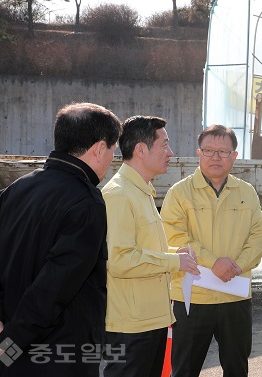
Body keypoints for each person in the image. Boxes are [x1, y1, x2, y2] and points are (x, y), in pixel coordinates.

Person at [0, 103, 121, 376]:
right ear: (98, 148)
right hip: (56, 358)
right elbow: (55, 287)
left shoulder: (13, 191)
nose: (111, 160)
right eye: (113, 152)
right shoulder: (86, 202)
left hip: (2, 354)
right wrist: (11, 342)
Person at [161, 124, 262, 377]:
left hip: (235, 296)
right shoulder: (180, 193)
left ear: (234, 156)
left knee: (237, 367)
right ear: (198, 153)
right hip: (193, 298)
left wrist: (237, 266)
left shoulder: (246, 192)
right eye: (209, 151)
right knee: (185, 369)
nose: (215, 157)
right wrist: (213, 262)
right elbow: (174, 237)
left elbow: (259, 236)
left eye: (223, 152)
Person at [101, 116, 199, 377]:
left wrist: (173, 254)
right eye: (164, 145)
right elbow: (120, 260)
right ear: (141, 150)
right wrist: (173, 262)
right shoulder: (120, 194)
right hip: (131, 327)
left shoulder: (142, 190)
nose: (171, 152)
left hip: (151, 320)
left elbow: (142, 249)